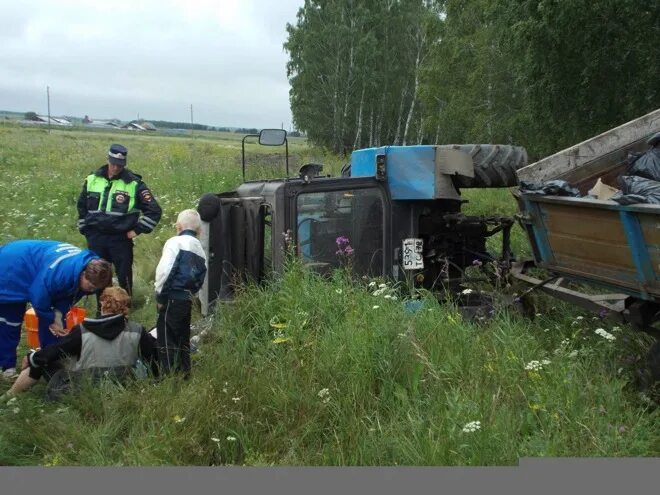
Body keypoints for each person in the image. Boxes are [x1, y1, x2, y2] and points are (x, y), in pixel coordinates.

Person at [8, 286, 158, 397]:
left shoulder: (82, 330)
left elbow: (55, 352)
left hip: (85, 388)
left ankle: (10, 395)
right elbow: (153, 359)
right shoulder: (137, 330)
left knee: (39, 359)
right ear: (126, 307)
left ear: (102, 304)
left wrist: (32, 356)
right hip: (125, 385)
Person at [0, 240, 112, 378]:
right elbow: (39, 296)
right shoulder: (59, 275)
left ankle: (51, 362)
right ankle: (7, 367)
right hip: (11, 267)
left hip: (35, 268)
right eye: (90, 287)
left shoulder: (86, 269)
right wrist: (51, 319)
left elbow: (67, 294)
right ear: (83, 274)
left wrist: (58, 315)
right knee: (10, 320)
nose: (93, 290)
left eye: (96, 288)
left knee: (54, 325)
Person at [77, 143, 162, 295]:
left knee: (124, 278)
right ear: (107, 160)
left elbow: (154, 211)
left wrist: (136, 231)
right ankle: (102, 309)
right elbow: (82, 206)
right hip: (96, 237)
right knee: (99, 276)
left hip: (120, 239)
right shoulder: (92, 179)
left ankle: (124, 312)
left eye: (120, 165)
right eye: (113, 164)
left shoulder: (134, 184)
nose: (116, 168)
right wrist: (85, 229)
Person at [154, 209, 207, 377]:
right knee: (183, 337)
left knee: (166, 337)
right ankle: (185, 372)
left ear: (178, 226)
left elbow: (165, 270)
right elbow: (201, 274)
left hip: (171, 296)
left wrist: (160, 296)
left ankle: (169, 377)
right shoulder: (199, 248)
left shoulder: (174, 242)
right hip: (187, 298)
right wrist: (192, 292)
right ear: (199, 231)